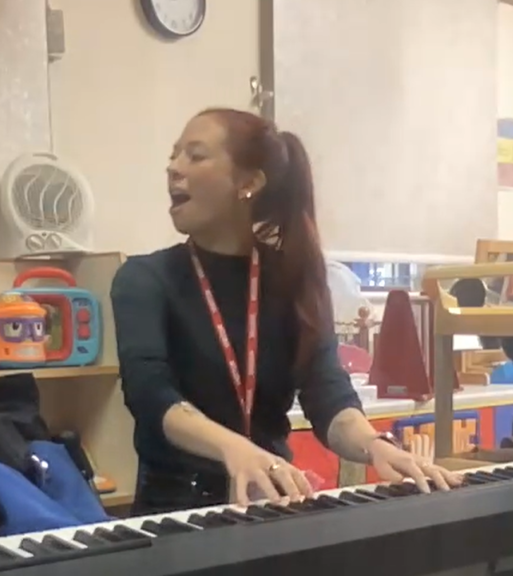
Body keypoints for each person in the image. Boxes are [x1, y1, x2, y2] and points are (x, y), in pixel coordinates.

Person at [110, 108, 463, 515]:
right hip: (176, 512)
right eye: (174, 155)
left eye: (195, 155)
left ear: (248, 183)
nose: (174, 167)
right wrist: (236, 450)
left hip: (274, 505)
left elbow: (328, 395)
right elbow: (151, 396)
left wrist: (374, 445)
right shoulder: (144, 279)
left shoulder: (294, 280)